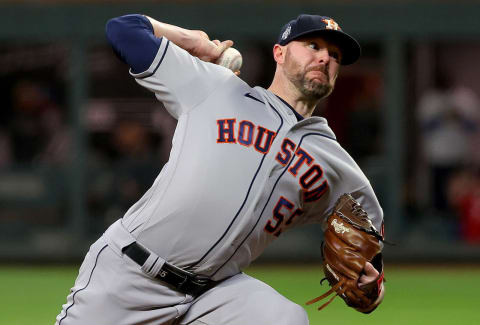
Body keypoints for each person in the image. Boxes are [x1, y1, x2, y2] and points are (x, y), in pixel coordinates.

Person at [56, 13, 385, 324]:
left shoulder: (335, 163)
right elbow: (123, 30)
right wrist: (192, 42)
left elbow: (369, 246)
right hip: (132, 272)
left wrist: (370, 283)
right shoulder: (215, 87)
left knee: (284, 319)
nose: (325, 58)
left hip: (214, 294)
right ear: (279, 53)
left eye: (335, 55)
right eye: (313, 46)